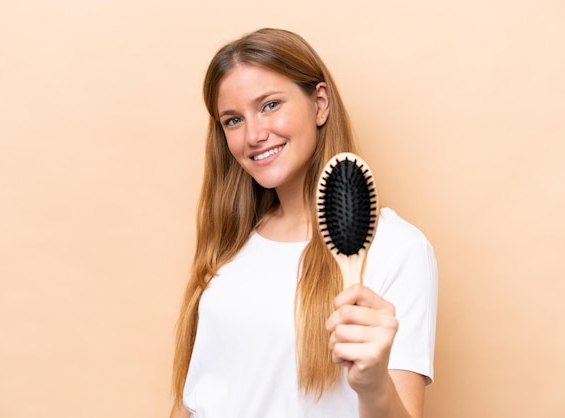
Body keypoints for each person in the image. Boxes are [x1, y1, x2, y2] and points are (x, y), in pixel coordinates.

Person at [170, 28, 437, 418]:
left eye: (270, 105)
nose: (254, 135)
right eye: (232, 120)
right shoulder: (231, 245)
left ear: (320, 103)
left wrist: (374, 383)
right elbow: (196, 398)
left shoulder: (398, 250)